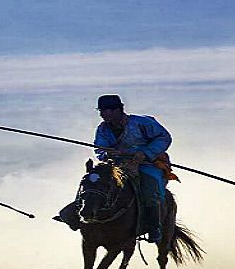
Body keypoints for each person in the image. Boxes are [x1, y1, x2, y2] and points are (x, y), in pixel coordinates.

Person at [56, 95, 174, 242]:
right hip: (118, 165)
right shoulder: (103, 129)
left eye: (105, 111)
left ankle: (154, 227)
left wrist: (145, 153)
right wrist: (107, 153)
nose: (101, 114)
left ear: (117, 110)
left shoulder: (142, 122)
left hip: (148, 164)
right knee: (91, 181)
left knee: (150, 192)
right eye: (101, 111)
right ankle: (77, 212)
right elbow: (99, 149)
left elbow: (164, 138)